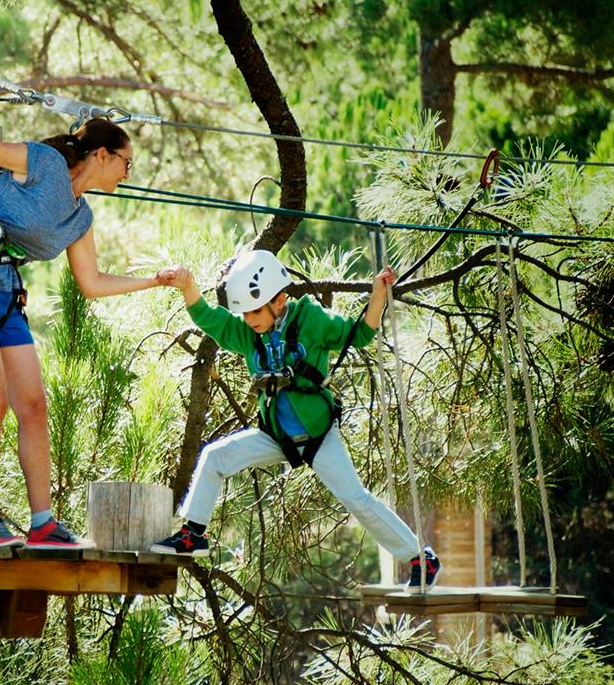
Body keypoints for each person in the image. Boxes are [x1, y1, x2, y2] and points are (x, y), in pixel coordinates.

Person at [0, 97, 171, 550]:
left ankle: (43, 523)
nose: (128, 174)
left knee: (33, 407)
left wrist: (152, 281)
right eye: (126, 163)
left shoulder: (81, 216)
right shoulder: (44, 163)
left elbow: (90, 282)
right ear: (102, 155)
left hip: (5, 294)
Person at [150, 250, 441, 592]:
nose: (249, 319)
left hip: (317, 434)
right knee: (215, 457)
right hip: (276, 435)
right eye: (244, 313)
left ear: (280, 299)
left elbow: (358, 334)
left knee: (356, 499)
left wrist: (377, 298)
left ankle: (420, 558)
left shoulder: (311, 320)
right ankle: (192, 534)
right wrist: (188, 287)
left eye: (256, 310)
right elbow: (212, 320)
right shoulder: (249, 334)